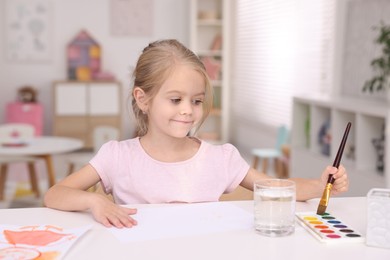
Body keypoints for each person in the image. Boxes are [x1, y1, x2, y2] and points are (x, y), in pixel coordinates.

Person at [44, 39, 349, 229]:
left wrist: (320, 185)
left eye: (197, 100)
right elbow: (54, 194)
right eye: (175, 100)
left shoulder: (221, 158)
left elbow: (275, 187)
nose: (188, 110)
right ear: (142, 99)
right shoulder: (117, 156)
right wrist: (94, 202)